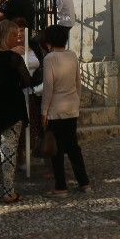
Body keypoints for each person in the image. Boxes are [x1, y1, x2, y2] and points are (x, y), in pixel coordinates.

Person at [0, 19, 33, 205]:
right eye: (14, 35)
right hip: (11, 108)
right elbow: (27, 81)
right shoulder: (13, 58)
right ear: (6, 36)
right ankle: (9, 192)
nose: (17, 38)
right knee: (8, 150)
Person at [41, 25, 90, 192]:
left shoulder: (49, 58)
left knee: (57, 149)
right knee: (73, 146)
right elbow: (78, 82)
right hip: (71, 106)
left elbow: (48, 87)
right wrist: (76, 101)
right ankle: (84, 182)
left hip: (55, 108)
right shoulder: (72, 55)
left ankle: (61, 186)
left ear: (49, 42)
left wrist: (44, 111)